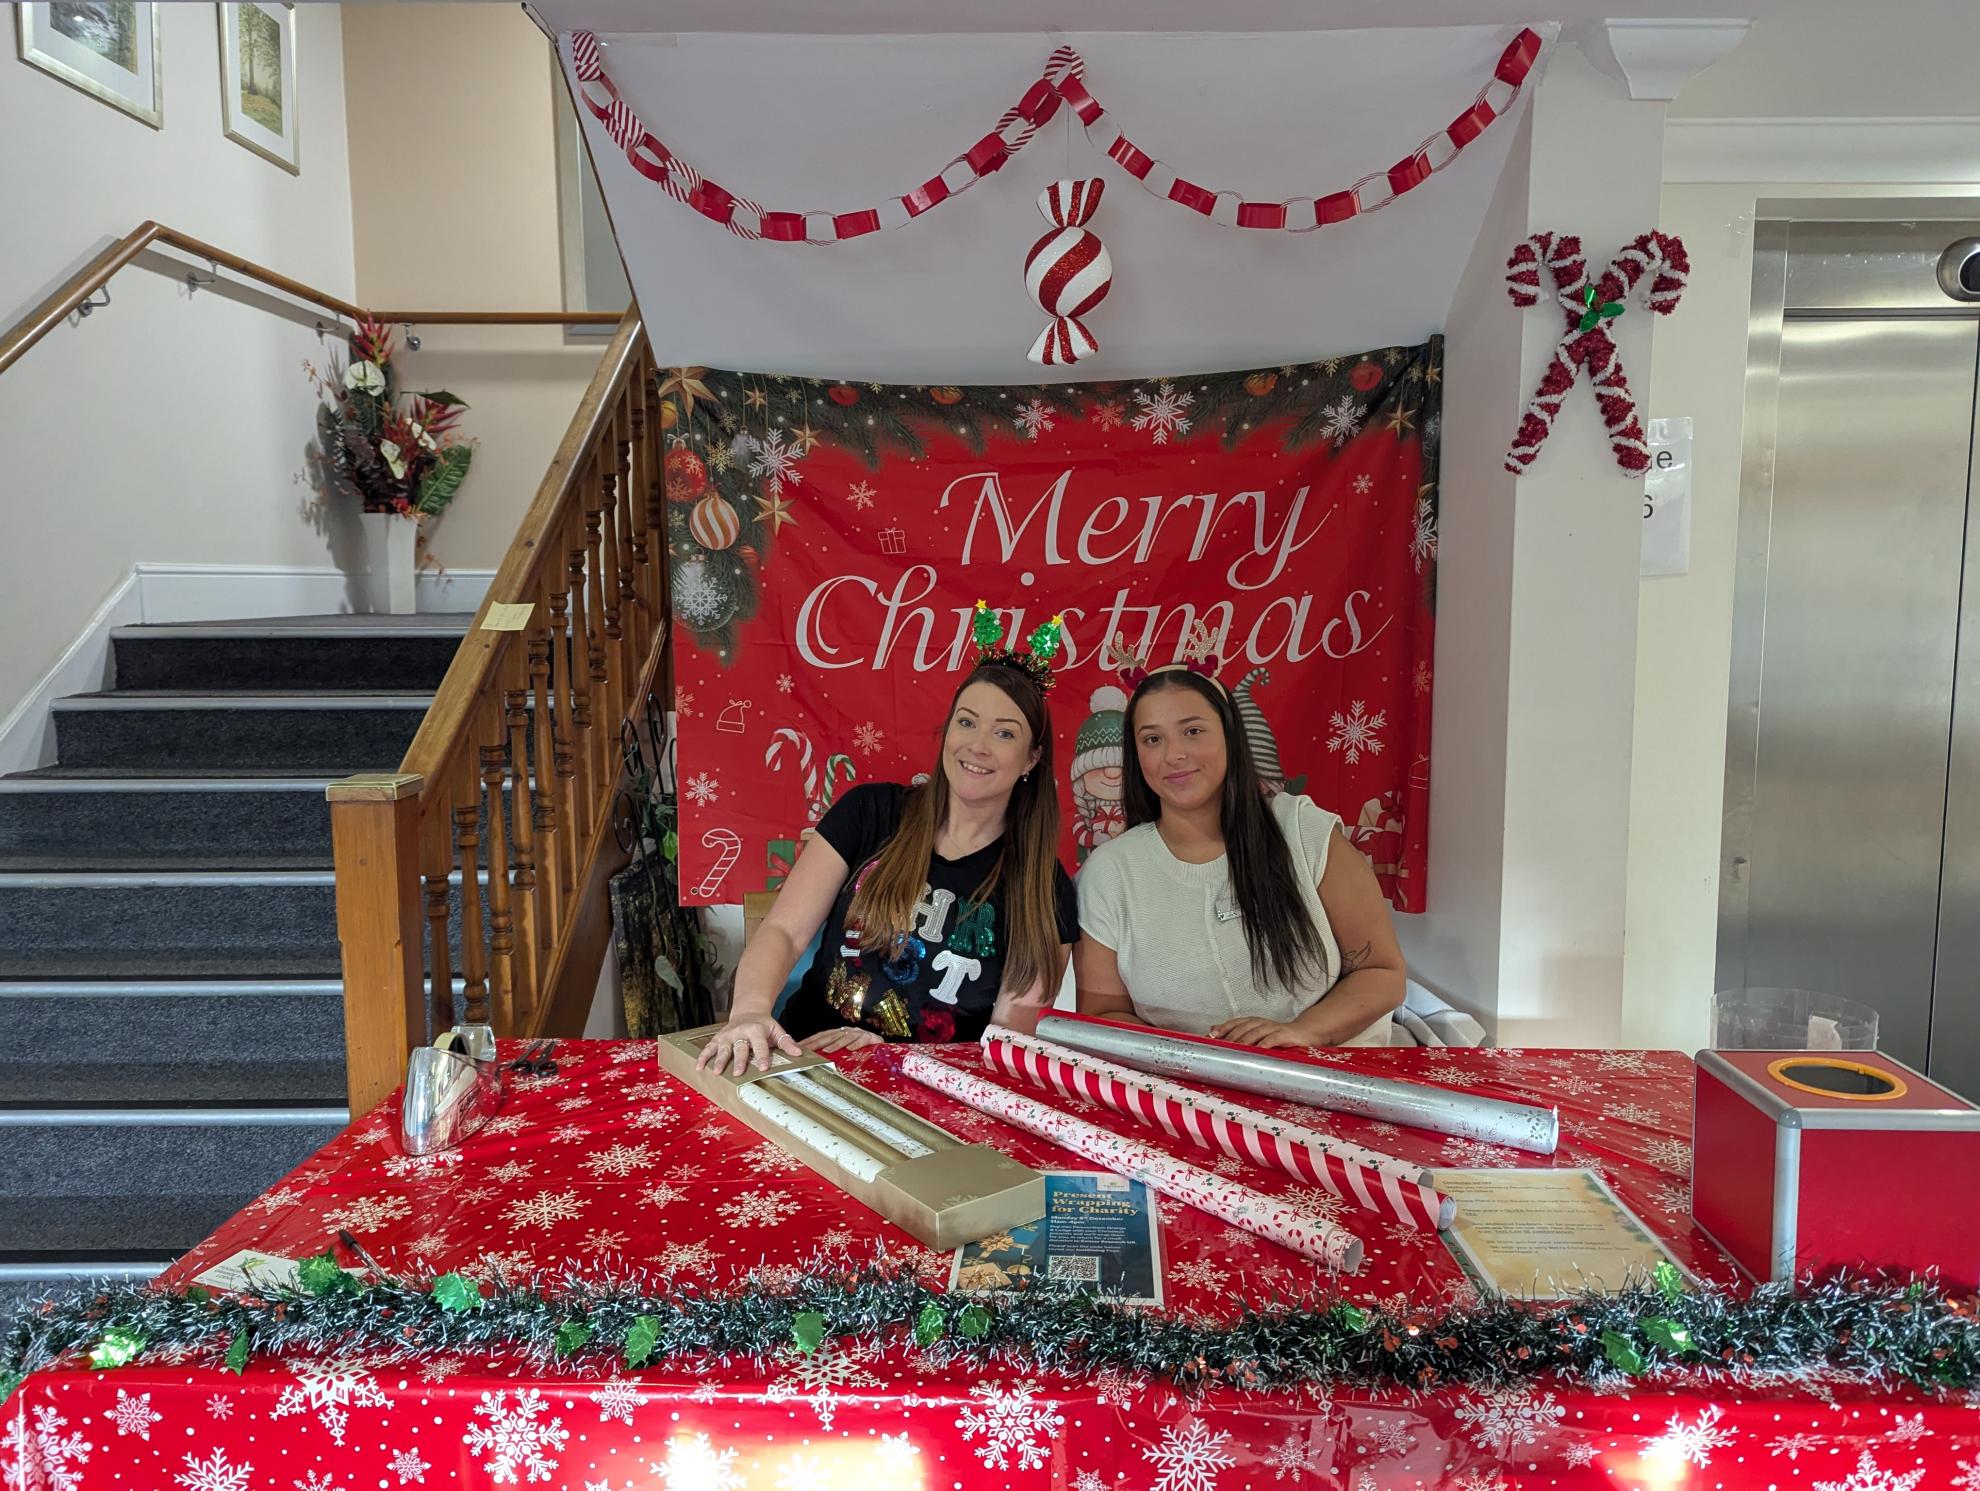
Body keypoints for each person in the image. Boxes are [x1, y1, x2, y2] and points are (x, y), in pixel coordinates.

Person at [700, 614, 1079, 1077]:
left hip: (930, 1095)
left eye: (1004, 733)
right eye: (967, 722)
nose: (978, 746)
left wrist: (890, 1055)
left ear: (1032, 758)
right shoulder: (870, 812)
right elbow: (783, 932)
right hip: (805, 1063)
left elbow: (1004, 1046)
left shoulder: (1044, 889)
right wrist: (750, 1012)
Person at [1074, 662, 1405, 1049]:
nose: (1174, 754)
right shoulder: (1110, 873)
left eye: (1193, 731)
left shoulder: (1303, 832)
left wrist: (1302, 1032)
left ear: (1230, 736)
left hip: (1337, 1078)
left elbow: (1382, 972)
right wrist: (1195, 1062)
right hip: (1190, 1096)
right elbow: (1102, 1015)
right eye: (1152, 740)